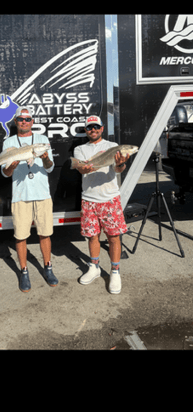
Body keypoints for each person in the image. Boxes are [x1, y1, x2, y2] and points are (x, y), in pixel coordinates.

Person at [1, 105, 58, 292]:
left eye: (27, 119)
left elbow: (49, 167)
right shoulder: (9, 142)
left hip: (42, 195)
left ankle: (48, 268)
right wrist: (12, 164)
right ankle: (24, 272)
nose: (24, 122)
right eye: (20, 119)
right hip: (20, 196)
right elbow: (6, 173)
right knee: (20, 236)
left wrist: (46, 157)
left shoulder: (42, 140)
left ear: (32, 121)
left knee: (45, 233)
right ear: (16, 122)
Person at [73, 115, 130, 294]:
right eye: (90, 127)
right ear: (85, 130)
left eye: (96, 126)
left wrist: (121, 164)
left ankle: (115, 271)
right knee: (92, 237)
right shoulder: (79, 149)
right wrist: (84, 168)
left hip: (110, 199)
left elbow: (118, 169)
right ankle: (94, 267)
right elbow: (81, 169)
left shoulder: (113, 147)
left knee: (114, 237)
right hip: (89, 199)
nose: (93, 130)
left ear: (102, 128)